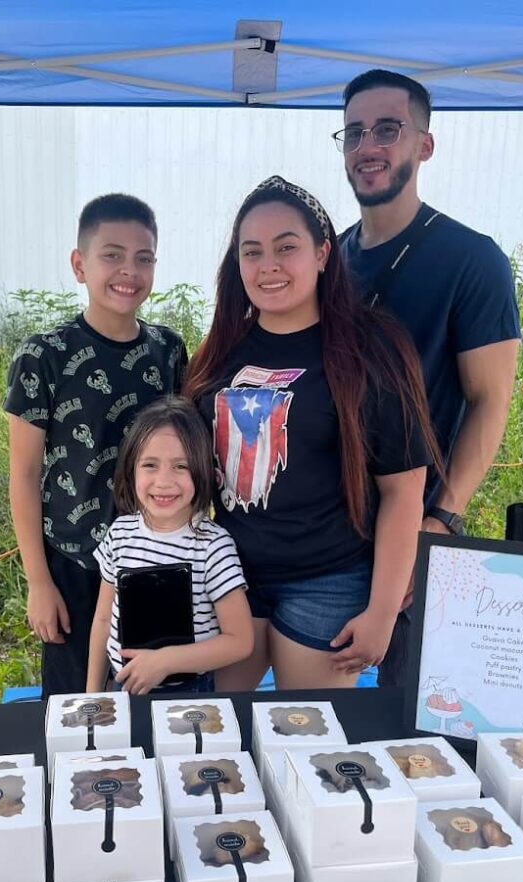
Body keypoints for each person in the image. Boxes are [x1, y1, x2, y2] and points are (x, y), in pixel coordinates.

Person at [184, 175, 439, 690]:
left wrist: (383, 612)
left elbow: (403, 490)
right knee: (213, 740)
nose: (268, 265)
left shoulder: (371, 349)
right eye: (251, 252)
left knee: (301, 744)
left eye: (287, 248)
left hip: (328, 579)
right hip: (230, 577)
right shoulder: (219, 351)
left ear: (323, 254)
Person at [335, 69, 522, 685]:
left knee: (409, 723)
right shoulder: (326, 258)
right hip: (324, 534)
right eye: (355, 132)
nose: (369, 146)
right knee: (319, 723)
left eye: (388, 129)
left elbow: (490, 401)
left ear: (424, 143)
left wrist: (438, 521)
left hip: (414, 528)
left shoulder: (471, 260)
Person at [4, 194, 187, 698]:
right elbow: (23, 475)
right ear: (79, 265)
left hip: (155, 560)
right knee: (74, 705)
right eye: (112, 255)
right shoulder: (44, 357)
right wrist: (39, 583)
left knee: (152, 699)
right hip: (74, 564)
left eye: (144, 257)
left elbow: (185, 457)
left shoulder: (167, 351)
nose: (129, 270)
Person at [86, 397, 253, 694]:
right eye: (150, 465)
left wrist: (165, 661)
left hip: (188, 693)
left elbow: (239, 640)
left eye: (180, 466)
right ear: (131, 470)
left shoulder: (213, 547)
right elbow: (102, 618)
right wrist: (92, 693)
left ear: (201, 470)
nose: (164, 481)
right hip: (122, 684)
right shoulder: (120, 533)